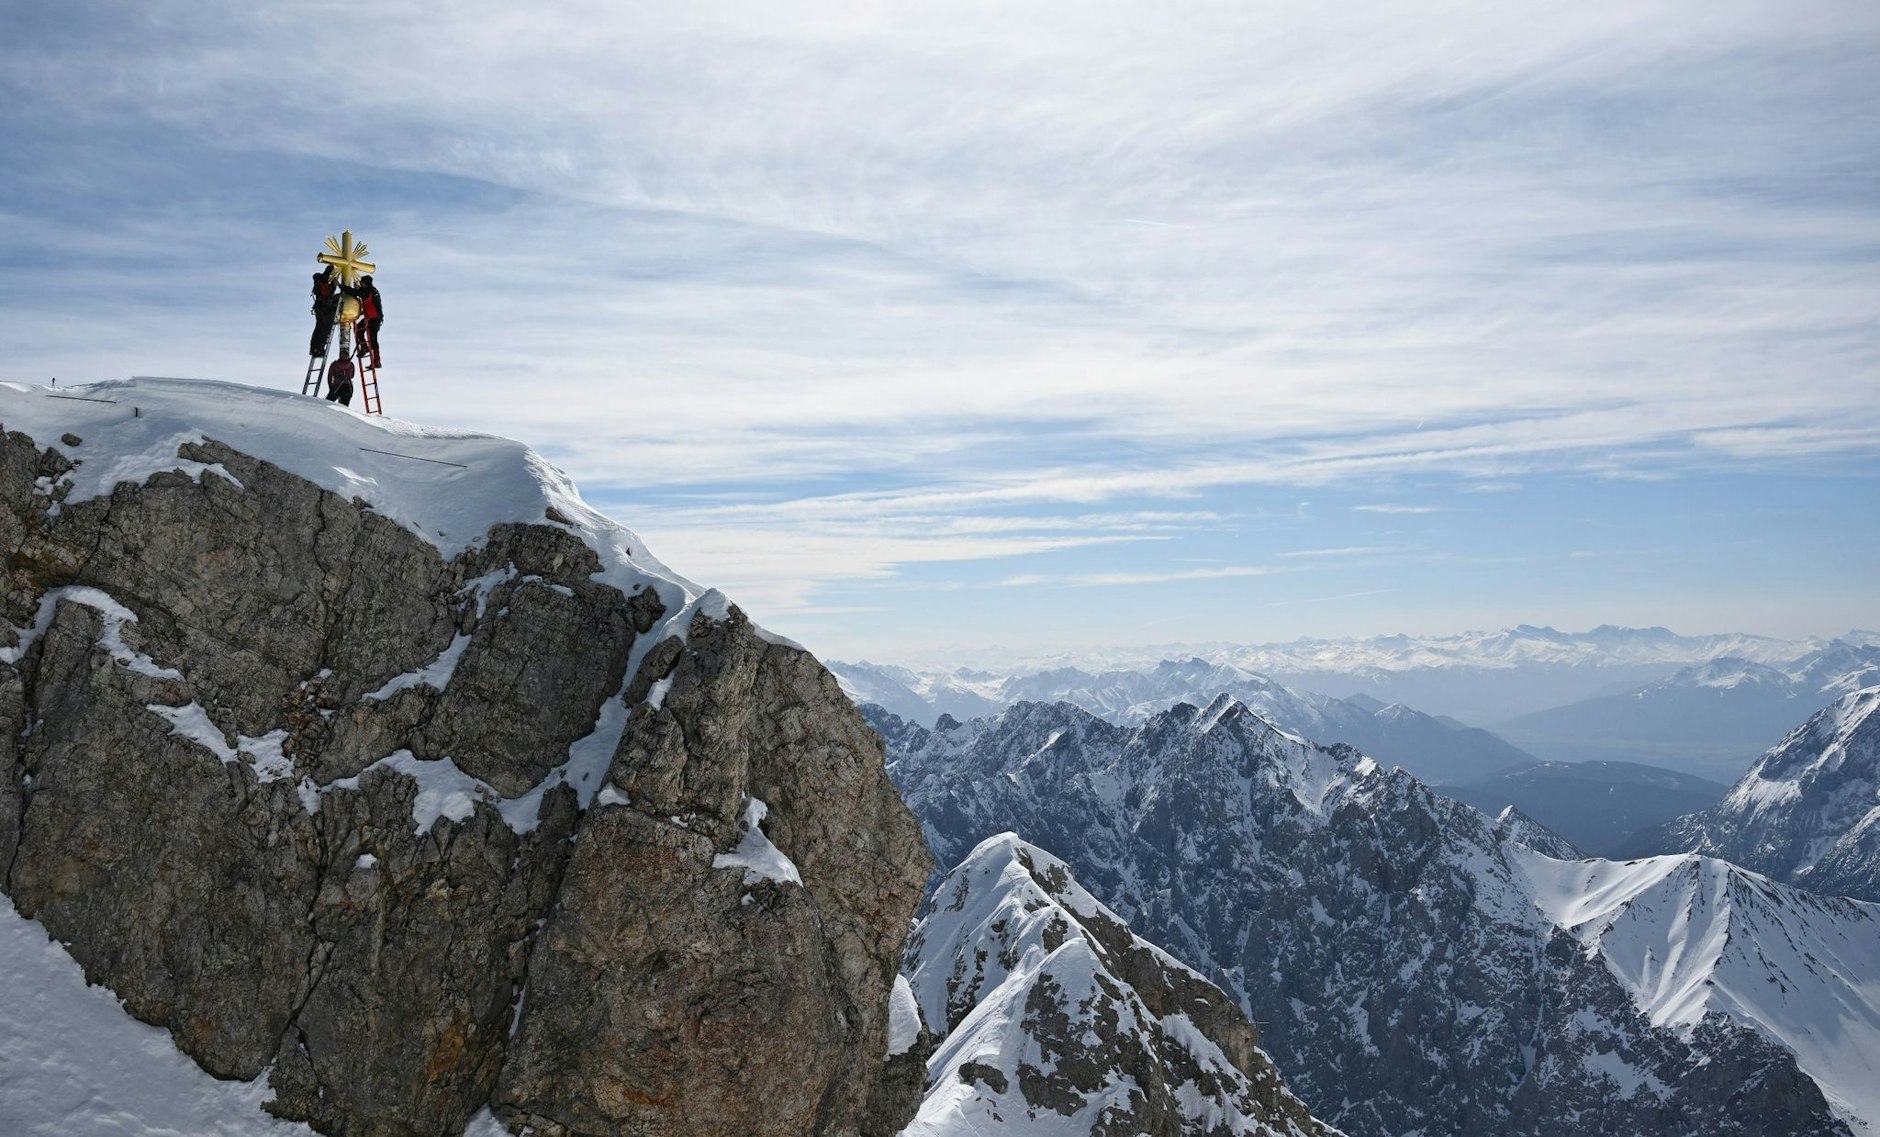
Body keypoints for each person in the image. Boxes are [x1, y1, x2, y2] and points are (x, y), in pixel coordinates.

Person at [309, 267, 339, 357]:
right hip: (324, 309)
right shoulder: (321, 282)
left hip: (321, 309)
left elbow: (330, 292)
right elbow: (326, 275)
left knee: (319, 328)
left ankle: (315, 348)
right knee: (325, 329)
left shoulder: (321, 284)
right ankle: (319, 348)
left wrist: (334, 284)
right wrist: (332, 267)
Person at [355, 274, 384, 368]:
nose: (360, 283)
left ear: (365, 283)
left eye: (361, 282)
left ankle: (376, 361)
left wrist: (343, 287)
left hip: (374, 319)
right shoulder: (372, 290)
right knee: (358, 330)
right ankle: (364, 348)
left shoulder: (368, 292)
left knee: (373, 340)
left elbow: (356, 293)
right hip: (372, 317)